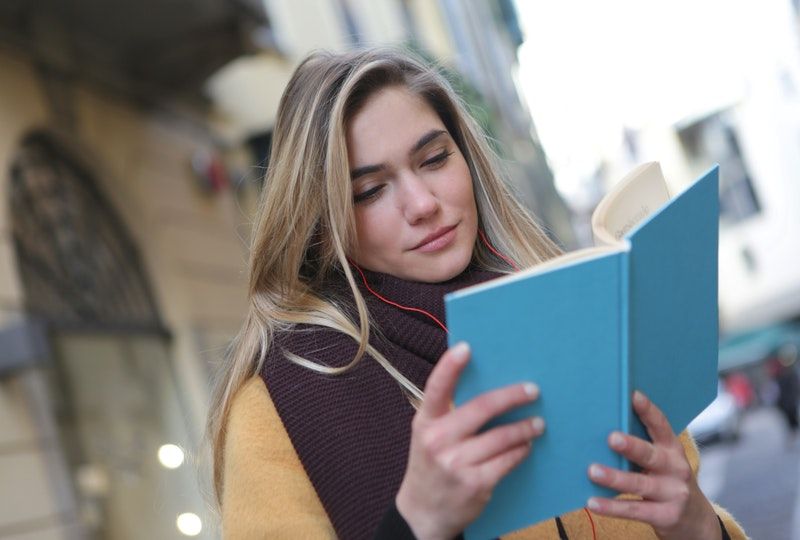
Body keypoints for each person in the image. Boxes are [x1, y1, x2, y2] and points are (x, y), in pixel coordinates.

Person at [206, 48, 747, 539]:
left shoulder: (574, 311)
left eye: (434, 159)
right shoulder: (278, 403)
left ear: (467, 160)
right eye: (370, 191)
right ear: (322, 226)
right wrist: (418, 522)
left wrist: (698, 525)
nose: (422, 203)